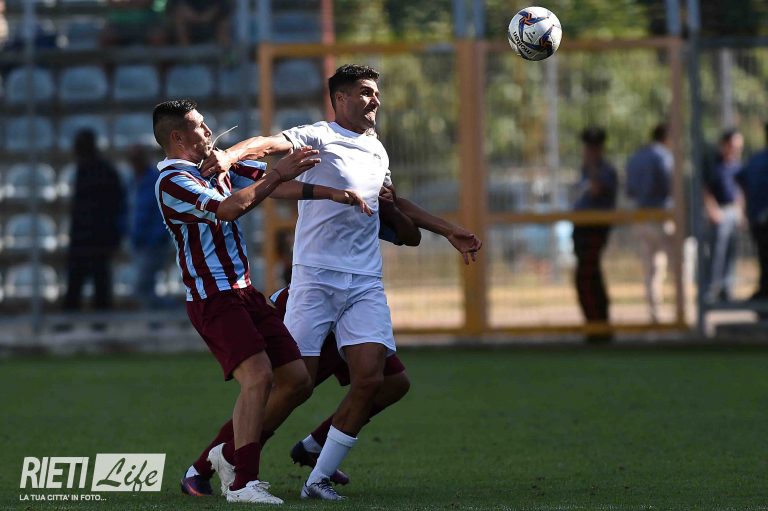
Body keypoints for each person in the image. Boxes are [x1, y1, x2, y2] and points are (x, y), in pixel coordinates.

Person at [197, 64, 481, 500]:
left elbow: (391, 201)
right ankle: (225, 455)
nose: (375, 100)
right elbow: (267, 143)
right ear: (340, 98)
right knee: (294, 385)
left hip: (364, 281)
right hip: (315, 280)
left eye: (376, 93)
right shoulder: (319, 136)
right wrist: (231, 156)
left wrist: (448, 230)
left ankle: (318, 479)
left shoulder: (377, 150)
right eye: (365, 92)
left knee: (373, 379)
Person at [180, 185, 483, 496]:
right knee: (287, 390)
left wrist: (444, 228)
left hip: (355, 303)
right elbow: (279, 183)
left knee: (392, 383)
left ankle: (314, 447)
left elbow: (402, 222)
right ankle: (206, 466)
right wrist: (242, 162)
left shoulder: (369, 167)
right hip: (312, 302)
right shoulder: (325, 169)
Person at [153, 99, 370, 504]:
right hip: (213, 297)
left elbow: (274, 182)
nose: (208, 130)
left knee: (297, 380)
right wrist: (277, 175)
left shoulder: (212, 166)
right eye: (200, 126)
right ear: (178, 137)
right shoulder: (172, 180)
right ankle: (242, 483)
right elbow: (230, 208)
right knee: (258, 378)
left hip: (244, 291)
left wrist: (329, 192)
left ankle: (223, 455)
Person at [63, 129, 125, 311]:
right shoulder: (90, 169)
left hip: (95, 238)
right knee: (85, 282)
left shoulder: (101, 170)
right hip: (91, 237)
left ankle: (94, 320)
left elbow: (116, 205)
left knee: (94, 282)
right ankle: (79, 319)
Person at [571, 126, 618, 343]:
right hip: (581, 228)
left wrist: (591, 167)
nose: (589, 151)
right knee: (588, 276)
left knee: (587, 276)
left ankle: (599, 324)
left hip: (595, 229)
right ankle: (594, 325)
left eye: (592, 147)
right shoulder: (584, 170)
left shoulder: (605, 170)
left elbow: (598, 189)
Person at [625, 123, 674, 322]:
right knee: (677, 263)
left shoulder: (636, 157)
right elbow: (671, 185)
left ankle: (655, 313)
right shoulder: (664, 156)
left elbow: (629, 190)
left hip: (641, 216)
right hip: (661, 215)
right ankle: (682, 311)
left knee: (651, 266)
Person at [127, 144, 174, 308]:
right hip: (138, 243)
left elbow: (163, 212)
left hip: (153, 243)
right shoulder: (133, 182)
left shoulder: (155, 180)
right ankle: (157, 318)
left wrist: (157, 237)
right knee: (146, 288)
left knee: (142, 287)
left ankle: (172, 311)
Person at [702, 128, 744, 303]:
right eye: (734, 145)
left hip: (734, 211)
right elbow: (705, 189)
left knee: (731, 253)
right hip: (719, 211)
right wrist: (712, 210)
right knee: (716, 253)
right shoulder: (713, 164)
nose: (737, 149)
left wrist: (741, 211)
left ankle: (726, 289)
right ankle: (710, 290)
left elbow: (740, 190)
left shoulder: (737, 165)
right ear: (725, 144)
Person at [736, 122, 768, 303]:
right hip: (760, 218)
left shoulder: (755, 160)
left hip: (757, 220)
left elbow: (741, 183)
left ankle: (762, 296)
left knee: (764, 260)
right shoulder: (757, 160)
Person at [167, 0, 231, 47]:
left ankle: (223, 56)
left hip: (211, 28)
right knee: (178, 19)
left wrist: (211, 13)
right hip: (188, 30)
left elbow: (225, 7)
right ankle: (187, 56)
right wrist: (191, 15)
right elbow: (171, 8)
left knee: (224, 24)